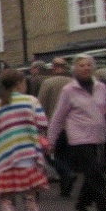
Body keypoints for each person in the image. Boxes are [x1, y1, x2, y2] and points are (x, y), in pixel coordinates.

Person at [0, 68, 50, 211]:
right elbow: (42, 124)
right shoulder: (31, 101)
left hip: (6, 158)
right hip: (28, 156)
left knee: (7, 199)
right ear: (19, 83)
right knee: (30, 197)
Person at [47, 55, 106, 211]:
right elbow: (58, 117)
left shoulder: (101, 87)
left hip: (98, 134)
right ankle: (103, 210)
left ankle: (82, 203)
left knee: (92, 173)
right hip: (79, 137)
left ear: (93, 68)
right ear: (75, 69)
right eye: (81, 65)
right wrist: (51, 140)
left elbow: (103, 107)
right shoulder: (69, 90)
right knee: (96, 172)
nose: (85, 68)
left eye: (89, 65)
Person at [37, 57, 76, 196]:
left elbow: (40, 105)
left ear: (53, 67)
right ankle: (65, 189)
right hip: (71, 125)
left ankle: (66, 173)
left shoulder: (47, 82)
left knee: (50, 154)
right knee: (66, 155)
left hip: (53, 125)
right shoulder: (73, 83)